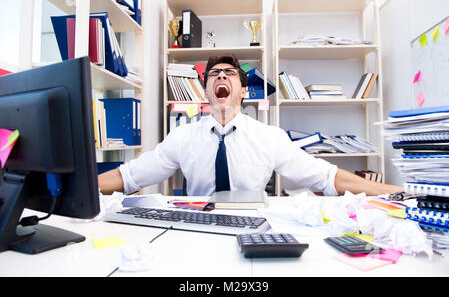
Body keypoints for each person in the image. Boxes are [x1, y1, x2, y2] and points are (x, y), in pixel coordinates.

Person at [98, 54, 403, 196]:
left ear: (243, 92)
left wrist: (395, 192)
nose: (220, 77)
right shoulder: (182, 136)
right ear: (206, 91)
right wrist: (75, 190)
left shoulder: (269, 137)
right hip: (198, 227)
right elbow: (131, 176)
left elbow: (324, 176)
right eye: (213, 74)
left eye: (229, 74)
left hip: (252, 225)